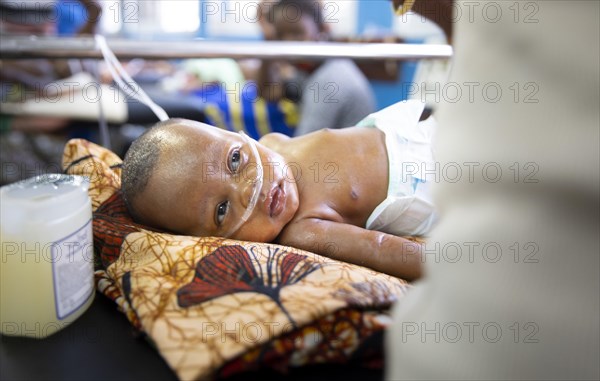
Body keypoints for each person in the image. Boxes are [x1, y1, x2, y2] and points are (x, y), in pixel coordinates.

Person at [121, 100, 437, 281]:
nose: (249, 190)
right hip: (432, 185)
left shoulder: (272, 142)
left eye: (234, 159)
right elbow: (380, 247)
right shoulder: (304, 231)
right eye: (222, 210)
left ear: (238, 133)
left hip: (416, 130)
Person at [256, 0, 376, 136]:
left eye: (297, 34)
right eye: (280, 35)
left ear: (321, 30)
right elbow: (268, 93)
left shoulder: (329, 79)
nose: (288, 43)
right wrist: (268, 42)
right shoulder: (309, 69)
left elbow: (303, 146)